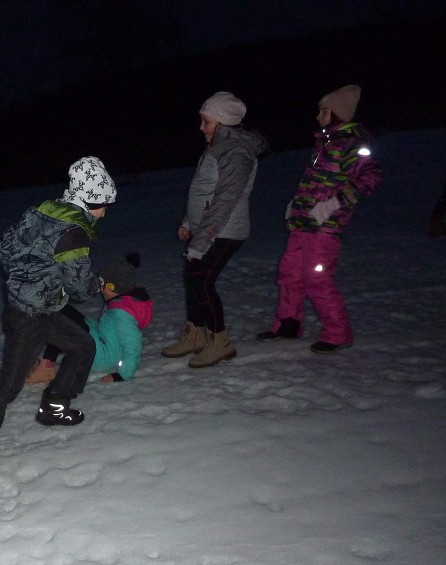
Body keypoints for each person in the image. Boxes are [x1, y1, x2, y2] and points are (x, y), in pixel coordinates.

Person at [0, 156, 116, 476]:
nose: (104, 212)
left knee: (83, 346)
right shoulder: (75, 233)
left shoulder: (42, 212)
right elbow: (79, 287)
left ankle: (55, 405)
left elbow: (4, 249)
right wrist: (98, 284)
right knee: (9, 385)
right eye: (103, 205)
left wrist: (28, 277)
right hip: (29, 316)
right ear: (89, 200)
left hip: (40, 307)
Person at [257, 85, 382, 353]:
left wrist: (334, 204)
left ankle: (338, 334)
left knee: (317, 279)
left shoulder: (353, 143)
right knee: (289, 273)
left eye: (324, 111)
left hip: (325, 227)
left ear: (338, 113)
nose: (318, 117)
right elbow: (314, 182)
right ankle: (288, 324)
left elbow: (370, 178)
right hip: (303, 222)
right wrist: (296, 204)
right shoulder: (324, 142)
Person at [161, 91, 266, 368]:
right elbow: (203, 190)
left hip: (225, 230)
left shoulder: (236, 152)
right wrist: (188, 222)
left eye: (205, 122)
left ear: (220, 122)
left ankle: (219, 342)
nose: (201, 127)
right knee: (193, 278)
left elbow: (225, 201)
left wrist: (200, 242)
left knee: (201, 280)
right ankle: (195, 335)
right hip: (209, 229)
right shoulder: (218, 147)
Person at [27, 252, 153, 384]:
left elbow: (132, 346)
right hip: (100, 343)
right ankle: (47, 362)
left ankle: (47, 367)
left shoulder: (122, 313)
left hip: (101, 357)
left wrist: (122, 375)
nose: (101, 289)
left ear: (116, 287)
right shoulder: (121, 301)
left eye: (104, 285)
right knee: (63, 314)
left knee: (63, 325)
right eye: (101, 284)